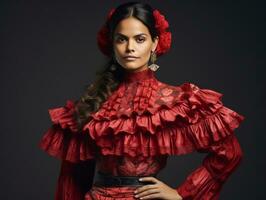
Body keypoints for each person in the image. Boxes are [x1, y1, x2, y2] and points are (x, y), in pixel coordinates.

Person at [38, 1, 245, 200]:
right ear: (112, 44)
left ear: (154, 43)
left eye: (139, 39)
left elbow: (229, 153)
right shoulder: (93, 101)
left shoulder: (175, 102)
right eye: (121, 39)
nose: (130, 47)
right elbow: (72, 178)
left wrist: (183, 193)